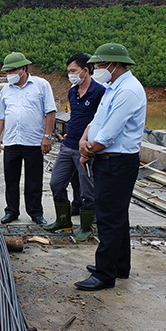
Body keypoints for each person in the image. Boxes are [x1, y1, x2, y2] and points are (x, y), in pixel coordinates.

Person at [76, 42, 147, 291]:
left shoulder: (128, 91)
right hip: (106, 159)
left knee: (108, 218)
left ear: (114, 65)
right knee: (117, 216)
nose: (95, 69)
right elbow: (97, 121)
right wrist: (85, 140)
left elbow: (110, 133)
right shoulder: (112, 88)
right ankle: (119, 265)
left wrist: (89, 149)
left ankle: (105, 274)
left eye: (98, 65)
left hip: (117, 162)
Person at [43, 53, 105, 241]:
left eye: (73, 71)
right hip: (68, 145)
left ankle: (86, 228)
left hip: (86, 148)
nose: (70, 74)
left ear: (86, 71)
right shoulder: (72, 92)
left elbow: (101, 120)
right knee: (56, 183)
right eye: (68, 71)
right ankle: (64, 220)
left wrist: (92, 146)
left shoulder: (99, 92)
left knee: (87, 189)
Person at [0, 52, 57, 225]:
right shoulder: (6, 89)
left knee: (34, 179)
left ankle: (35, 212)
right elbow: (0, 116)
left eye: (12, 70)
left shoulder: (41, 85)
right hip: (12, 141)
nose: (9, 75)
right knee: (11, 178)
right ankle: (11, 211)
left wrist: (47, 136)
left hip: (34, 141)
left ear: (23, 69)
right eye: (7, 71)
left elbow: (50, 112)